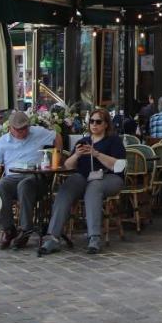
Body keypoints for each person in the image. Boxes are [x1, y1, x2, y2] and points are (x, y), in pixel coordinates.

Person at [40, 107, 126, 256]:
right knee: (66, 188)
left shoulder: (114, 141)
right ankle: (53, 237)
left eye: (98, 122)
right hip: (83, 176)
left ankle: (94, 237)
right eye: (91, 121)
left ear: (106, 124)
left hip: (109, 177)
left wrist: (97, 154)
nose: (94, 124)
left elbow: (118, 165)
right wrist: (77, 155)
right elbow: (68, 166)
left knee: (94, 187)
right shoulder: (83, 141)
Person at [0, 110, 58, 249]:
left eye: (24, 128)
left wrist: (57, 155)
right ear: (10, 128)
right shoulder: (1, 143)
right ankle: (8, 229)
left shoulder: (38, 132)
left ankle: (26, 229)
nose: (21, 132)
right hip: (12, 176)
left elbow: (57, 137)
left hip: (36, 177)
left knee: (25, 185)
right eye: (17, 129)